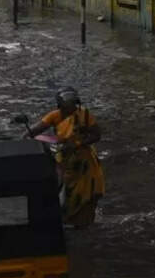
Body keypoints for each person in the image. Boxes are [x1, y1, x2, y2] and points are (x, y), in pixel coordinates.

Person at [25, 87, 105, 227]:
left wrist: (78, 143)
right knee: (66, 190)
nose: (70, 109)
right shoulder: (54, 116)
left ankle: (84, 222)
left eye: (73, 105)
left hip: (84, 161)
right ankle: (68, 220)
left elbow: (96, 135)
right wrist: (27, 136)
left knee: (87, 192)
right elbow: (33, 131)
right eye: (66, 106)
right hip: (65, 159)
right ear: (60, 106)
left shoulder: (85, 115)